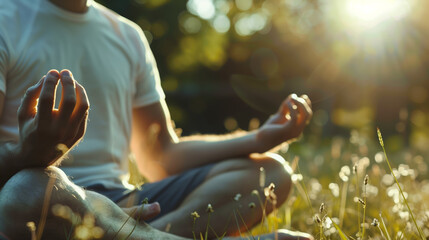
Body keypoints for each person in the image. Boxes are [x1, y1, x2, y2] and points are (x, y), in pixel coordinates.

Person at [0, 0, 313, 239]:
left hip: (122, 203)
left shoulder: (127, 35)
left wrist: (261, 139)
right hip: (45, 198)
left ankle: (129, 234)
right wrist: (27, 156)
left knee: (270, 172)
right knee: (26, 192)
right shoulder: (6, 18)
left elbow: (161, 156)